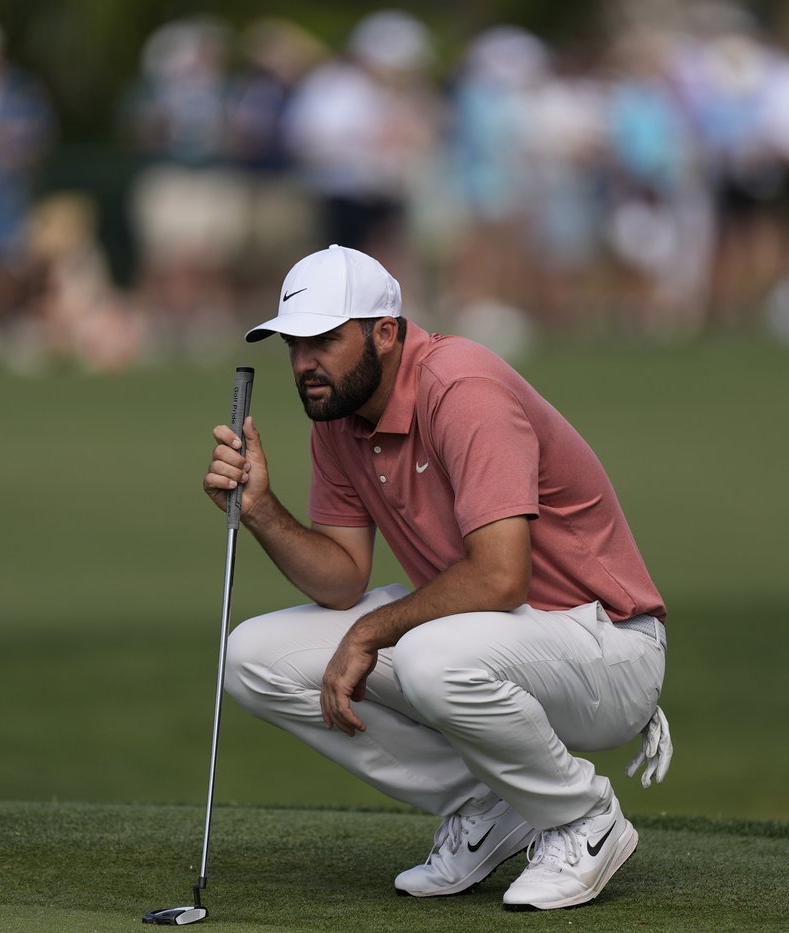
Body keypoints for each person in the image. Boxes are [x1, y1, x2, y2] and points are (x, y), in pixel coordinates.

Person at [201, 244, 671, 910]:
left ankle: (585, 817)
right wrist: (261, 510)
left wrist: (371, 629)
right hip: (494, 637)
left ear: (385, 332)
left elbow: (503, 575)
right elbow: (340, 578)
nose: (305, 363)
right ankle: (488, 802)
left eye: (325, 340)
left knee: (423, 653)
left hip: (608, 644)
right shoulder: (338, 418)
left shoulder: (461, 387)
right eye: (294, 345)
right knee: (250, 657)